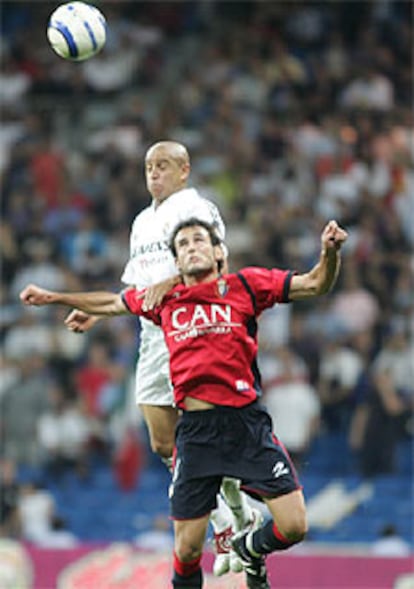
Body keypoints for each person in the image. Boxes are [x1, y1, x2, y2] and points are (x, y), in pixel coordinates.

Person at [20, 216, 348, 589]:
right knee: (188, 549)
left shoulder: (246, 285)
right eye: (184, 245)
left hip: (246, 425)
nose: (192, 247)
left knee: (294, 526)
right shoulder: (164, 299)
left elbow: (316, 283)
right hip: (195, 432)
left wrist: (330, 253)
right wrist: (54, 297)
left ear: (217, 250)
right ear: (177, 262)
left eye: (198, 240)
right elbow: (111, 302)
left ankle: (249, 549)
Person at [62, 140, 255, 575]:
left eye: (163, 165)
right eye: (149, 166)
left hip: (193, 328)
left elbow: (218, 262)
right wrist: (97, 313)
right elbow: (137, 285)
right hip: (153, 335)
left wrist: (171, 283)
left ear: (184, 170)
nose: (154, 173)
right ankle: (229, 517)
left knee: (206, 429)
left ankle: (230, 518)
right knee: (163, 442)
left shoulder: (196, 207)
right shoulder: (141, 221)